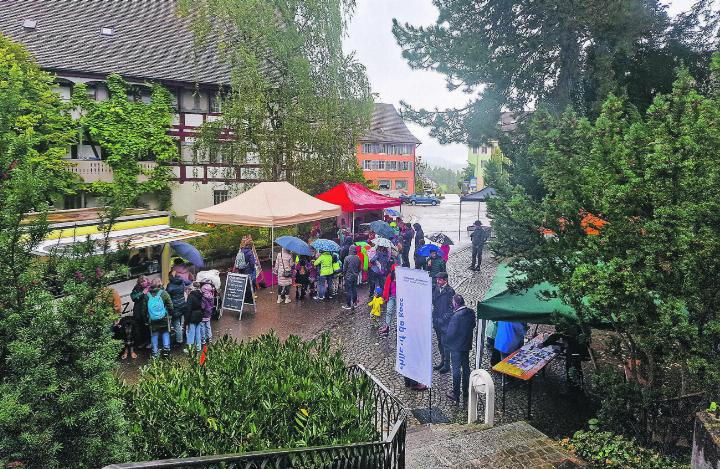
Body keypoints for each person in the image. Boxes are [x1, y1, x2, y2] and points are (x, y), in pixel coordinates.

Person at [445, 294, 476, 403]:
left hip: (456, 347)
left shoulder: (456, 316)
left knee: (456, 370)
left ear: (455, 304)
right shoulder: (471, 312)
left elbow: (450, 333)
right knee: (466, 369)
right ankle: (466, 391)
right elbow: (473, 325)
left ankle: (456, 393)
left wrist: (447, 341)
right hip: (466, 345)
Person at [432, 272, 455, 373]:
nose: (437, 281)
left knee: (445, 343)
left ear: (445, 280)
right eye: (437, 279)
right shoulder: (436, 289)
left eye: (440, 280)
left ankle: (446, 364)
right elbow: (434, 302)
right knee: (440, 342)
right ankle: (442, 361)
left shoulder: (450, 291)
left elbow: (452, 308)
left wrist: (443, 318)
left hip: (445, 322)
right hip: (436, 320)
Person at [146, 278, 173, 358]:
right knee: (165, 333)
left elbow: (143, 309)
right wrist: (170, 314)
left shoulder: (147, 295)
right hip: (164, 318)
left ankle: (154, 353)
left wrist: (146, 319)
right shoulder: (164, 293)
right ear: (160, 284)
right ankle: (166, 351)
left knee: (154, 335)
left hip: (152, 320)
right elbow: (170, 306)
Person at [166, 273, 192, 346]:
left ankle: (179, 341)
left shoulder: (170, 286)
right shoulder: (182, 283)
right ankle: (184, 335)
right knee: (182, 322)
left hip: (175, 307)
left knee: (176, 324)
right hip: (183, 305)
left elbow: (167, 295)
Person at [130, 276, 151, 350]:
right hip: (138, 311)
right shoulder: (136, 288)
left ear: (147, 281)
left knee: (148, 327)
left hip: (148, 311)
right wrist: (142, 293)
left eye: (144, 281)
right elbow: (133, 297)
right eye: (141, 282)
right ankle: (143, 341)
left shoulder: (151, 287)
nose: (143, 283)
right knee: (141, 328)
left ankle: (150, 342)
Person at [185, 282, 204, 352]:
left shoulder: (191, 296)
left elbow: (188, 309)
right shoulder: (201, 295)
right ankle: (198, 347)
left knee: (191, 333)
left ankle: (190, 349)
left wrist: (186, 321)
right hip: (199, 316)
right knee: (198, 333)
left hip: (192, 316)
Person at [378, 265, 396, 335]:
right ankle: (387, 327)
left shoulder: (401, 278)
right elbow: (386, 287)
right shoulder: (389, 277)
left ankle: (400, 328)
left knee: (399, 313)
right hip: (391, 297)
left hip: (398, 298)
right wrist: (384, 297)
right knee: (389, 311)